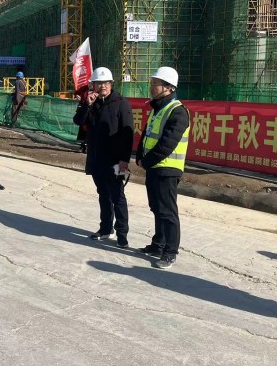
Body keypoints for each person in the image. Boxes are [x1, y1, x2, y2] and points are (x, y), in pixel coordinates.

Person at [136, 66, 190, 269]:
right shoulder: (158, 109)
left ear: (168, 87)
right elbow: (147, 134)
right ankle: (158, 244)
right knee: (156, 208)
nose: (151, 87)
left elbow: (167, 144)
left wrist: (147, 161)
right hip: (155, 167)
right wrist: (140, 155)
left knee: (167, 211)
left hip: (168, 169)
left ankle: (170, 251)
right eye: (152, 84)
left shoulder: (178, 112)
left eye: (155, 84)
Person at [73, 67, 134, 247]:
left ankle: (122, 233)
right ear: (93, 85)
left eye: (106, 83)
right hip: (96, 158)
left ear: (111, 84)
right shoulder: (91, 103)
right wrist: (86, 104)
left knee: (117, 196)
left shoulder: (121, 104)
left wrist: (124, 160)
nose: (103, 86)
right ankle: (106, 228)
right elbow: (78, 121)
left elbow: (128, 134)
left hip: (115, 160)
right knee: (103, 194)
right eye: (99, 83)